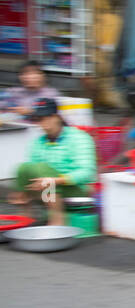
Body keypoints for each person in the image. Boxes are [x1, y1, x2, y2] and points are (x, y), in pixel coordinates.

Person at [8, 97, 96, 226]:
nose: (43, 122)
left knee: (43, 171)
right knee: (23, 168)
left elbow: (87, 172)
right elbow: (32, 169)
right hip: (48, 189)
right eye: (39, 119)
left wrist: (56, 180)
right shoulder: (38, 142)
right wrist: (24, 188)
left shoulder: (79, 138)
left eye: (46, 117)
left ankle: (57, 221)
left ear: (57, 117)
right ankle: (24, 217)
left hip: (77, 189)